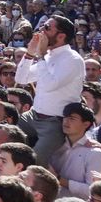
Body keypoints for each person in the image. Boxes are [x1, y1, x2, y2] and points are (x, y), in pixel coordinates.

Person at [16, 15, 83, 164]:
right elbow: (21, 79)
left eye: (47, 28)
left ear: (61, 36)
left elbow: (50, 85)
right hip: (32, 116)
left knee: (34, 163)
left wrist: (40, 55)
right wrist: (30, 53)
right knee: (7, 141)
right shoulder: (48, 56)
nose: (41, 31)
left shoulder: (73, 59)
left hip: (54, 122)